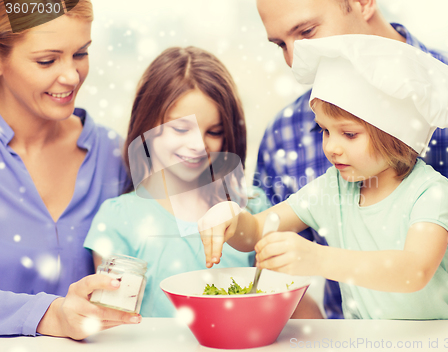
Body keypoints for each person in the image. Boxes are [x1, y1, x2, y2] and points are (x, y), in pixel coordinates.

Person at [200, 34, 448, 320]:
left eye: (349, 134)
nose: (331, 147)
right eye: (325, 130)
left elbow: (414, 271)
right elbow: (257, 230)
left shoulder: (430, 193)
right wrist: (230, 217)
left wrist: (318, 259)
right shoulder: (333, 188)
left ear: (394, 133)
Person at [253, 0, 448, 319]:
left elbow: (414, 269)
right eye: (279, 45)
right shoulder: (285, 136)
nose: (293, 60)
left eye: (307, 31)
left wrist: (319, 258)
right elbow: (266, 253)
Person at [83, 46, 272, 317]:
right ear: (147, 125)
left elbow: (277, 303)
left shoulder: (251, 207)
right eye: (181, 128)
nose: (198, 145)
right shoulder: (118, 218)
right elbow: (113, 321)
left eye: (214, 131)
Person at [0, 0, 140, 339]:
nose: (71, 75)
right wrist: (50, 315)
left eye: (81, 54)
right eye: (47, 60)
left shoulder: (115, 156)